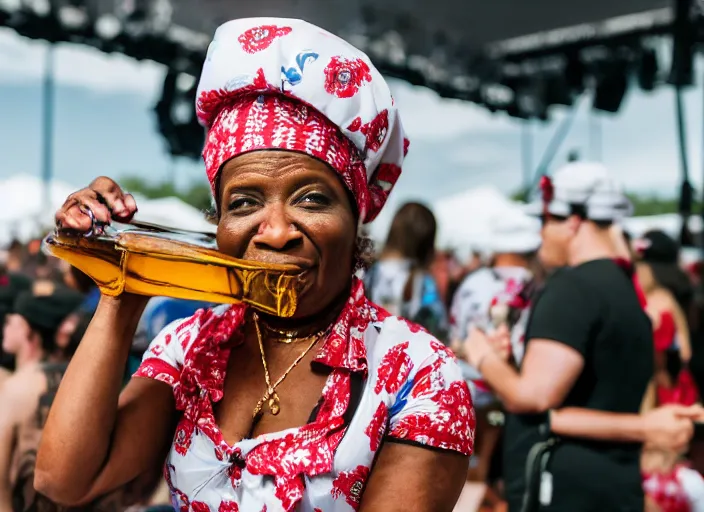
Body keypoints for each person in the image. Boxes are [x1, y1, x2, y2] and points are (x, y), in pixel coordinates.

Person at [36, 18, 475, 512]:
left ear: (356, 220)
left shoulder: (418, 373)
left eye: (311, 199)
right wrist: (122, 293)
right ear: (218, 223)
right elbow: (64, 480)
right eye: (244, 203)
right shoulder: (191, 346)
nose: (276, 230)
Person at [464, 162, 696, 511]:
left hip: (564, 490)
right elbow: (583, 396)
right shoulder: (626, 288)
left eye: (544, 220)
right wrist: (510, 364)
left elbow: (534, 397)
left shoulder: (573, 288)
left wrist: (481, 354)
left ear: (573, 222)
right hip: (611, 487)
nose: (540, 233)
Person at [450, 204, 541, 488]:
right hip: (512, 397)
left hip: (465, 391)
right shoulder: (535, 286)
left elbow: (456, 335)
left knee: (467, 481)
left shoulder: (471, 283)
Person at [0, 286, 84, 510]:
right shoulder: (81, 383)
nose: (5, 327)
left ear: (28, 331)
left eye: (11, 321)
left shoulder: (14, 389)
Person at [365, 202, 449, 341]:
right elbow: (439, 330)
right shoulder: (424, 283)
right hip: (410, 357)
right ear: (428, 243)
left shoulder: (369, 275)